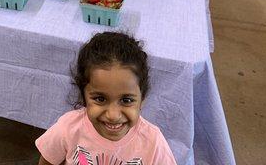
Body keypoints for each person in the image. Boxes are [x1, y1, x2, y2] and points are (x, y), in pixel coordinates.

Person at [36, 32, 177, 165]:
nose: (113, 115)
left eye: (126, 100)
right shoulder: (68, 128)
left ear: (143, 98)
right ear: (84, 96)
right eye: (100, 99)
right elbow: (47, 161)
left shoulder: (153, 142)